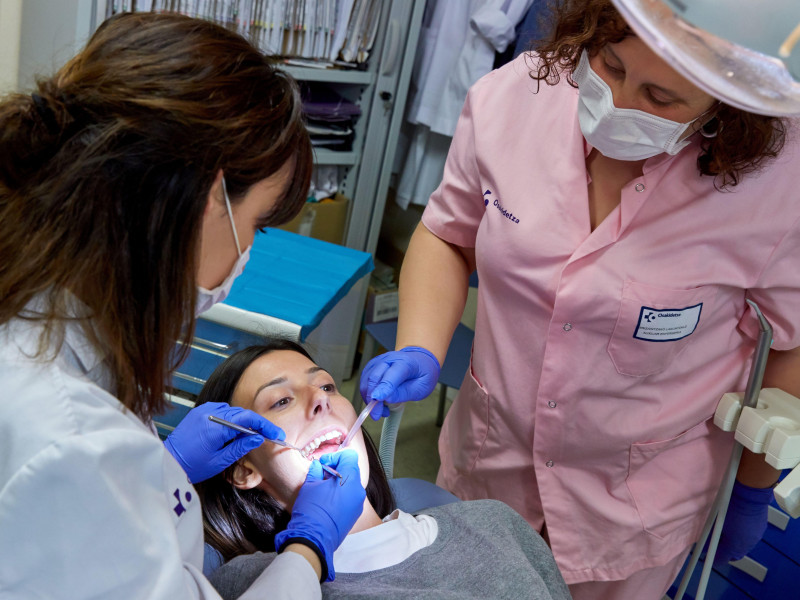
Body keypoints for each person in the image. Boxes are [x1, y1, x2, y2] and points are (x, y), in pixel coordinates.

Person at [359, 0, 800, 598]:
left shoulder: (780, 178)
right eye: (610, 66)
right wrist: (419, 347)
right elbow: (447, 233)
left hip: (635, 511)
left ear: (727, 101)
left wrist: (752, 486)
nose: (618, 104)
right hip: (490, 466)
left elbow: (792, 340)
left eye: (661, 99)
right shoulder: (515, 98)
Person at [0, 13, 365, 599]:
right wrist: (308, 551)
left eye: (325, 385)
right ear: (206, 203)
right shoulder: (71, 447)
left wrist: (162, 467)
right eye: (259, 226)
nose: (322, 404)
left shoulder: (39, 305)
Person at [190, 339, 573, 600]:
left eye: (326, 386)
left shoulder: (492, 520)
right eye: (282, 400)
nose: (320, 401)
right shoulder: (251, 580)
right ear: (243, 470)